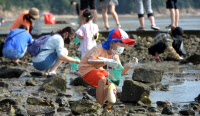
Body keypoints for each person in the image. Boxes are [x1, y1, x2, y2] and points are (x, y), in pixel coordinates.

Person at [78, 28, 138, 106]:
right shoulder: (99, 48)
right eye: (121, 43)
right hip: (85, 68)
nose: (123, 46)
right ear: (112, 43)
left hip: (97, 69)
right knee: (102, 79)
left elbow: (120, 72)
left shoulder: (114, 54)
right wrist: (105, 61)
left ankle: (103, 103)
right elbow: (89, 61)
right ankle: (100, 104)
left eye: (125, 44)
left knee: (113, 80)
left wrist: (130, 65)